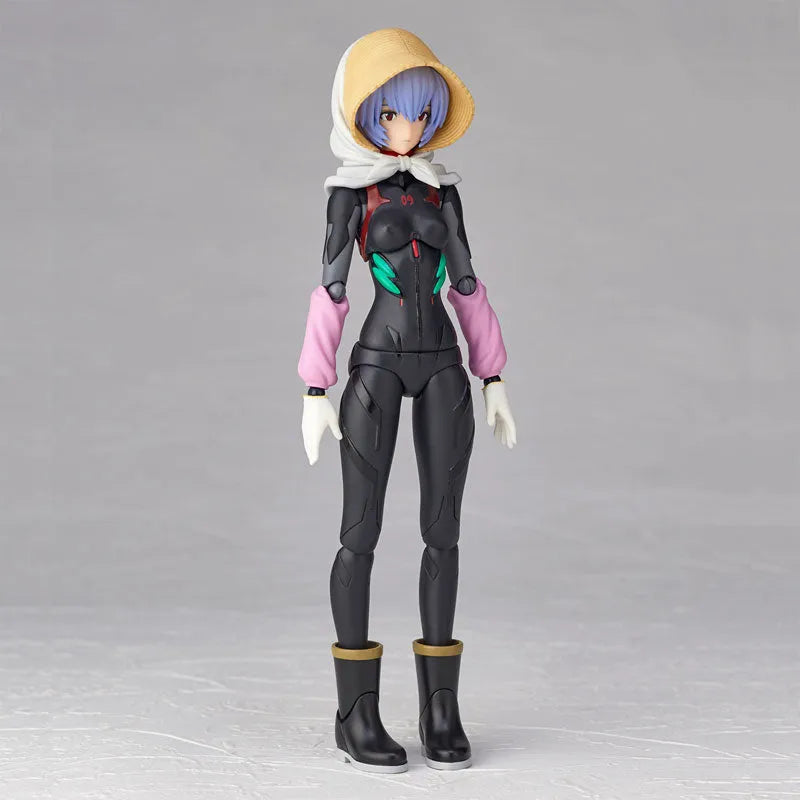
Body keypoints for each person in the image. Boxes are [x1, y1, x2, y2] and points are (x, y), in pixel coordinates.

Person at [297, 27, 516, 773]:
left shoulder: (443, 191)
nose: (407, 128)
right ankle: (355, 712)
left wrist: (493, 376)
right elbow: (331, 291)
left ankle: (439, 708)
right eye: (391, 113)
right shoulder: (350, 195)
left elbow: (467, 285)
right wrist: (314, 386)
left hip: (445, 366)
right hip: (379, 366)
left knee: (442, 531)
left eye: (421, 114)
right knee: (360, 531)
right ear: (361, 113)